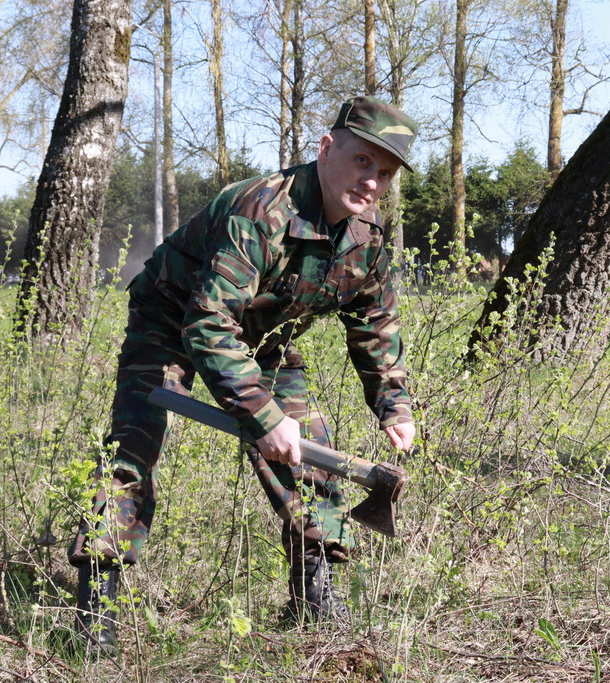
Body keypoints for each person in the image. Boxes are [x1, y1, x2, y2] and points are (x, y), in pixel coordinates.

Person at [67, 96, 418, 655]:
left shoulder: (367, 235)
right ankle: (98, 609)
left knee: (310, 452)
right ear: (327, 150)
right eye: (361, 162)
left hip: (260, 337)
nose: (372, 182)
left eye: (385, 172)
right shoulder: (259, 211)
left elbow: (375, 323)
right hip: (171, 321)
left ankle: (316, 599)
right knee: (132, 450)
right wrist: (263, 417)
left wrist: (393, 405)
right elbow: (207, 323)